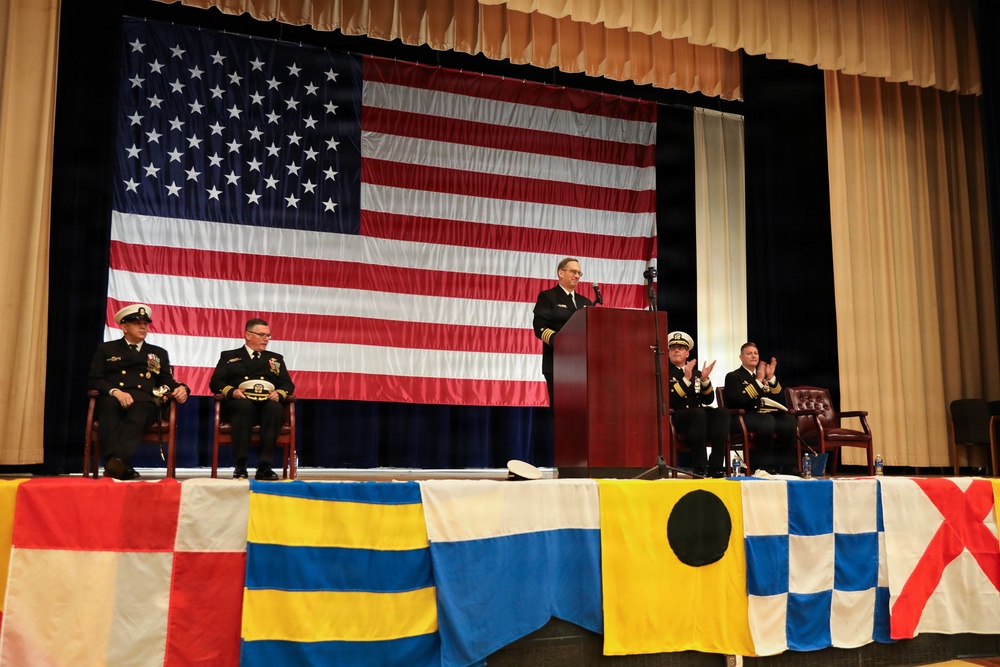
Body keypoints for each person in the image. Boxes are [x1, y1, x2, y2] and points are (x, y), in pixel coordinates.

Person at [88, 304, 189, 480]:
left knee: (140, 412)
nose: (143, 327)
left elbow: (166, 380)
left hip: (143, 400)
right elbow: (95, 379)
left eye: (145, 324)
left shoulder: (157, 353)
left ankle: (116, 462)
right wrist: (115, 392)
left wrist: (183, 388)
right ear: (124, 327)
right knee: (109, 407)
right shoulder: (107, 349)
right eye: (137, 323)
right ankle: (120, 465)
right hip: (115, 396)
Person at [209, 318, 294, 480]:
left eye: (268, 336)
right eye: (262, 335)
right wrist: (232, 391)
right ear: (248, 335)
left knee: (275, 409)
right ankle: (240, 466)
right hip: (239, 405)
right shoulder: (230, 356)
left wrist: (280, 393)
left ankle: (265, 466)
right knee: (244, 406)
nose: (266, 339)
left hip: (266, 404)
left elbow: (287, 384)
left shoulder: (275, 359)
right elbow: (216, 382)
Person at [723, 341, 798, 474]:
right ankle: (765, 465)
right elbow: (738, 400)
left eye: (756, 353)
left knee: (788, 419)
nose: (753, 356)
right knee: (767, 420)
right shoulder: (734, 376)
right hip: (744, 416)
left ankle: (788, 465)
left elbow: (779, 398)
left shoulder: (764, 376)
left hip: (765, 415)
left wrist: (771, 377)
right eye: (749, 353)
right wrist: (758, 381)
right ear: (741, 357)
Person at [666, 331, 730, 477]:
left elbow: (707, 400)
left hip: (698, 415)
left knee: (722, 412)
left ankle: (717, 466)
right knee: (698, 413)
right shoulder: (664, 373)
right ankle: (700, 466)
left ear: (687, 354)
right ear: (668, 353)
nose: (677, 350)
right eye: (673, 347)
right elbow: (669, 399)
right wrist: (686, 379)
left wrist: (705, 380)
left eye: (681, 348)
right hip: (678, 416)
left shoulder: (697, 374)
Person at [532, 257, 594, 405]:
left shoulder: (585, 302)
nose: (577, 275)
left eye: (579, 273)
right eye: (573, 271)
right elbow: (540, 327)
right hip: (557, 363)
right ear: (561, 272)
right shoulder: (548, 297)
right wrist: (561, 342)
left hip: (581, 365)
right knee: (562, 411)